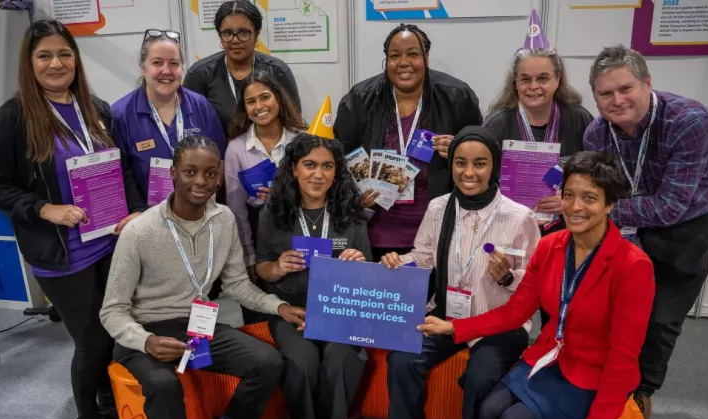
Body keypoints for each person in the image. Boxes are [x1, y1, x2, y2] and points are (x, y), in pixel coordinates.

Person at [419, 151, 656, 419]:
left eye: (590, 198)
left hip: (593, 374)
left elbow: (624, 353)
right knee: (489, 410)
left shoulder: (633, 266)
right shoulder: (550, 246)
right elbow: (515, 312)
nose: (575, 206)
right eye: (569, 195)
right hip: (547, 358)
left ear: (609, 206)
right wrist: (454, 329)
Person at [100, 135, 306, 419]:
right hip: (144, 332)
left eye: (210, 174)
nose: (201, 182)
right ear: (174, 174)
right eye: (190, 172)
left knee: (268, 360)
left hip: (198, 322)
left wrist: (278, 307)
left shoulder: (223, 219)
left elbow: (238, 284)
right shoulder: (139, 232)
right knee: (163, 387)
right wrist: (145, 340)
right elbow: (112, 310)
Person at [0, 20, 145, 419]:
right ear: (30, 63)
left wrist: (133, 212)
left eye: (64, 54)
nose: (56, 63)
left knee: (114, 327)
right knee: (90, 339)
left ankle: (107, 398)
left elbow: (120, 167)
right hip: (62, 251)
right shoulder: (16, 115)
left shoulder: (97, 108)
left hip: (109, 239)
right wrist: (42, 208)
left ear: (76, 59)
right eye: (44, 56)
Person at [369, 126, 541, 419]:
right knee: (402, 359)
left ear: (493, 166)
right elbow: (425, 257)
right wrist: (400, 262)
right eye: (461, 163)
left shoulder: (521, 217)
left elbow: (535, 283)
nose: (469, 172)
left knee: (480, 379)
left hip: (500, 322)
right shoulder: (438, 207)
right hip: (445, 315)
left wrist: (509, 276)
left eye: (480, 164)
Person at [583, 45, 708, 419]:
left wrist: (598, 210)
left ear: (647, 82)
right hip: (625, 224)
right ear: (594, 96)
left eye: (625, 88)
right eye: (605, 93)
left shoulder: (689, 121)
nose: (617, 100)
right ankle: (609, 380)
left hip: (687, 226)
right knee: (617, 308)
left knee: (661, 319)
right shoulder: (596, 132)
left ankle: (642, 391)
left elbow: (669, 207)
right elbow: (599, 191)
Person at [255, 134, 371, 419]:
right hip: (293, 309)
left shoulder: (351, 213)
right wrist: (276, 268)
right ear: (294, 169)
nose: (318, 174)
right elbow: (260, 265)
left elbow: (369, 269)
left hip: (340, 309)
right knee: (301, 361)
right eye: (309, 165)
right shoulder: (272, 212)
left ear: (337, 172)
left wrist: (358, 260)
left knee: (340, 357)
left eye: (327, 166)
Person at [334, 23, 483, 262]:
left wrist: (460, 148)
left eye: (413, 54)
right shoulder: (360, 99)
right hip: (376, 231)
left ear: (426, 57)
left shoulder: (456, 96)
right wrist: (355, 196)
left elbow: (482, 153)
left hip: (439, 231)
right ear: (386, 61)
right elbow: (339, 158)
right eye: (395, 56)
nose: (404, 62)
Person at [484, 47, 593, 235]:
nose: (533, 86)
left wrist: (571, 197)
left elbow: (597, 175)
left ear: (557, 79)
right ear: (515, 82)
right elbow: (482, 179)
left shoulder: (579, 119)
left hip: (567, 229)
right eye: (525, 79)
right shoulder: (497, 124)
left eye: (542, 78)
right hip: (511, 229)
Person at [112, 29, 226, 207]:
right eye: (157, 62)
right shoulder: (120, 114)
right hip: (148, 219)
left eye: (174, 63)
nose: (166, 70)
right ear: (142, 67)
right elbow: (119, 174)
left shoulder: (201, 106)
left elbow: (221, 159)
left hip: (200, 212)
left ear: (182, 67)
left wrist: (210, 194)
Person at [225, 71, 307, 281]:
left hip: (300, 227)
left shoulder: (303, 140)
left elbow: (320, 190)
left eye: (265, 97)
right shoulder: (236, 149)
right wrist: (248, 256)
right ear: (245, 108)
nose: (259, 106)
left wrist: (287, 194)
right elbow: (236, 209)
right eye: (251, 101)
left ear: (278, 98)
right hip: (257, 229)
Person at [183, 0, 301, 133]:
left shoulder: (277, 71)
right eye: (227, 33)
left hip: (272, 152)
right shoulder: (200, 74)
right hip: (218, 152)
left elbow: (293, 123)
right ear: (220, 37)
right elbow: (189, 128)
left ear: (256, 35)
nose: (235, 39)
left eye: (243, 32)